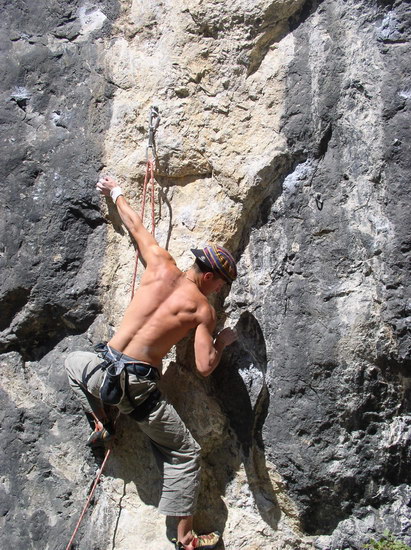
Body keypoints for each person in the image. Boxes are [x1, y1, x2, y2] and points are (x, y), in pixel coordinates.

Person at [64, 175, 238, 550]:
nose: (219, 291)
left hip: (101, 370)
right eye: (220, 284)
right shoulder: (202, 310)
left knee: (71, 363)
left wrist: (115, 192)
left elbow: (135, 225)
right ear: (209, 276)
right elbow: (205, 365)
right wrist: (222, 341)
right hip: (138, 391)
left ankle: (103, 421)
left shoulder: (159, 262)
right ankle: (185, 539)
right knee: (185, 453)